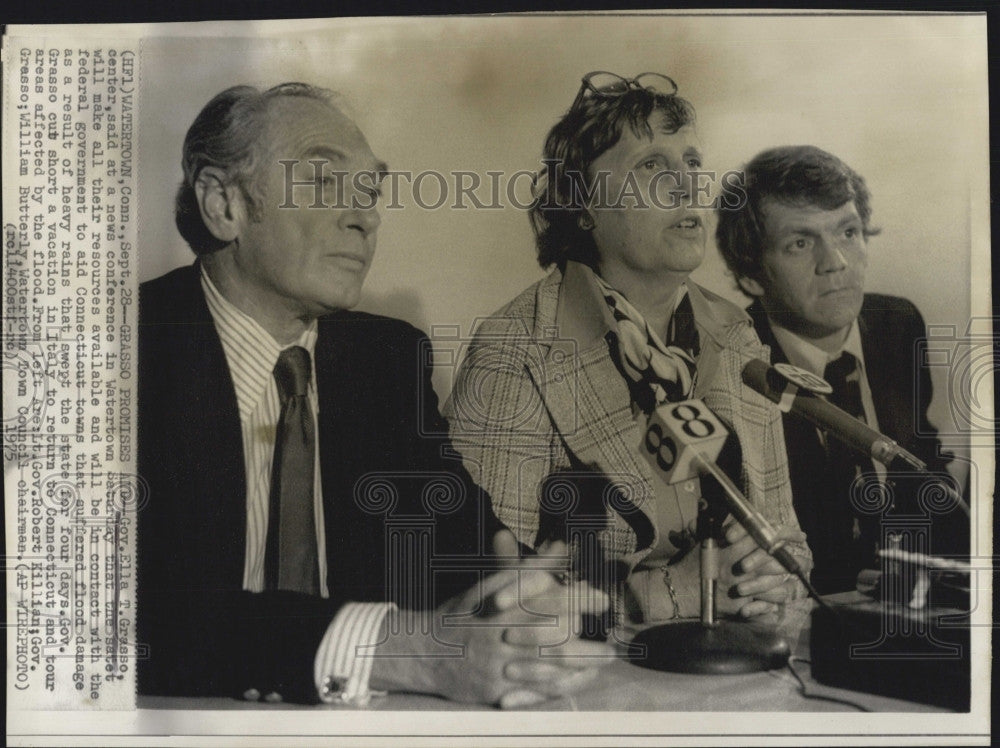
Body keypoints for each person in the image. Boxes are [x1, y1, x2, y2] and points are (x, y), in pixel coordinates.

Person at [137, 82, 613, 708]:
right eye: (324, 182)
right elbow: (120, 618)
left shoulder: (385, 361)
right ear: (223, 204)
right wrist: (400, 650)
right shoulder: (111, 356)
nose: (364, 216)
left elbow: (467, 555)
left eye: (369, 191)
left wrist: (530, 595)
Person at [444, 72, 811, 627]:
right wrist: (667, 594)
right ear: (584, 204)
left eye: (690, 163)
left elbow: (789, 538)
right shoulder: (515, 350)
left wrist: (775, 579)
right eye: (651, 166)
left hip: (735, 671)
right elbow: (487, 591)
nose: (687, 187)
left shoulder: (735, 333)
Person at [715, 144, 965, 594]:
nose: (836, 262)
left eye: (848, 232)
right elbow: (744, 544)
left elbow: (923, 466)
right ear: (752, 276)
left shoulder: (898, 324)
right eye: (800, 243)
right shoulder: (731, 366)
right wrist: (849, 581)